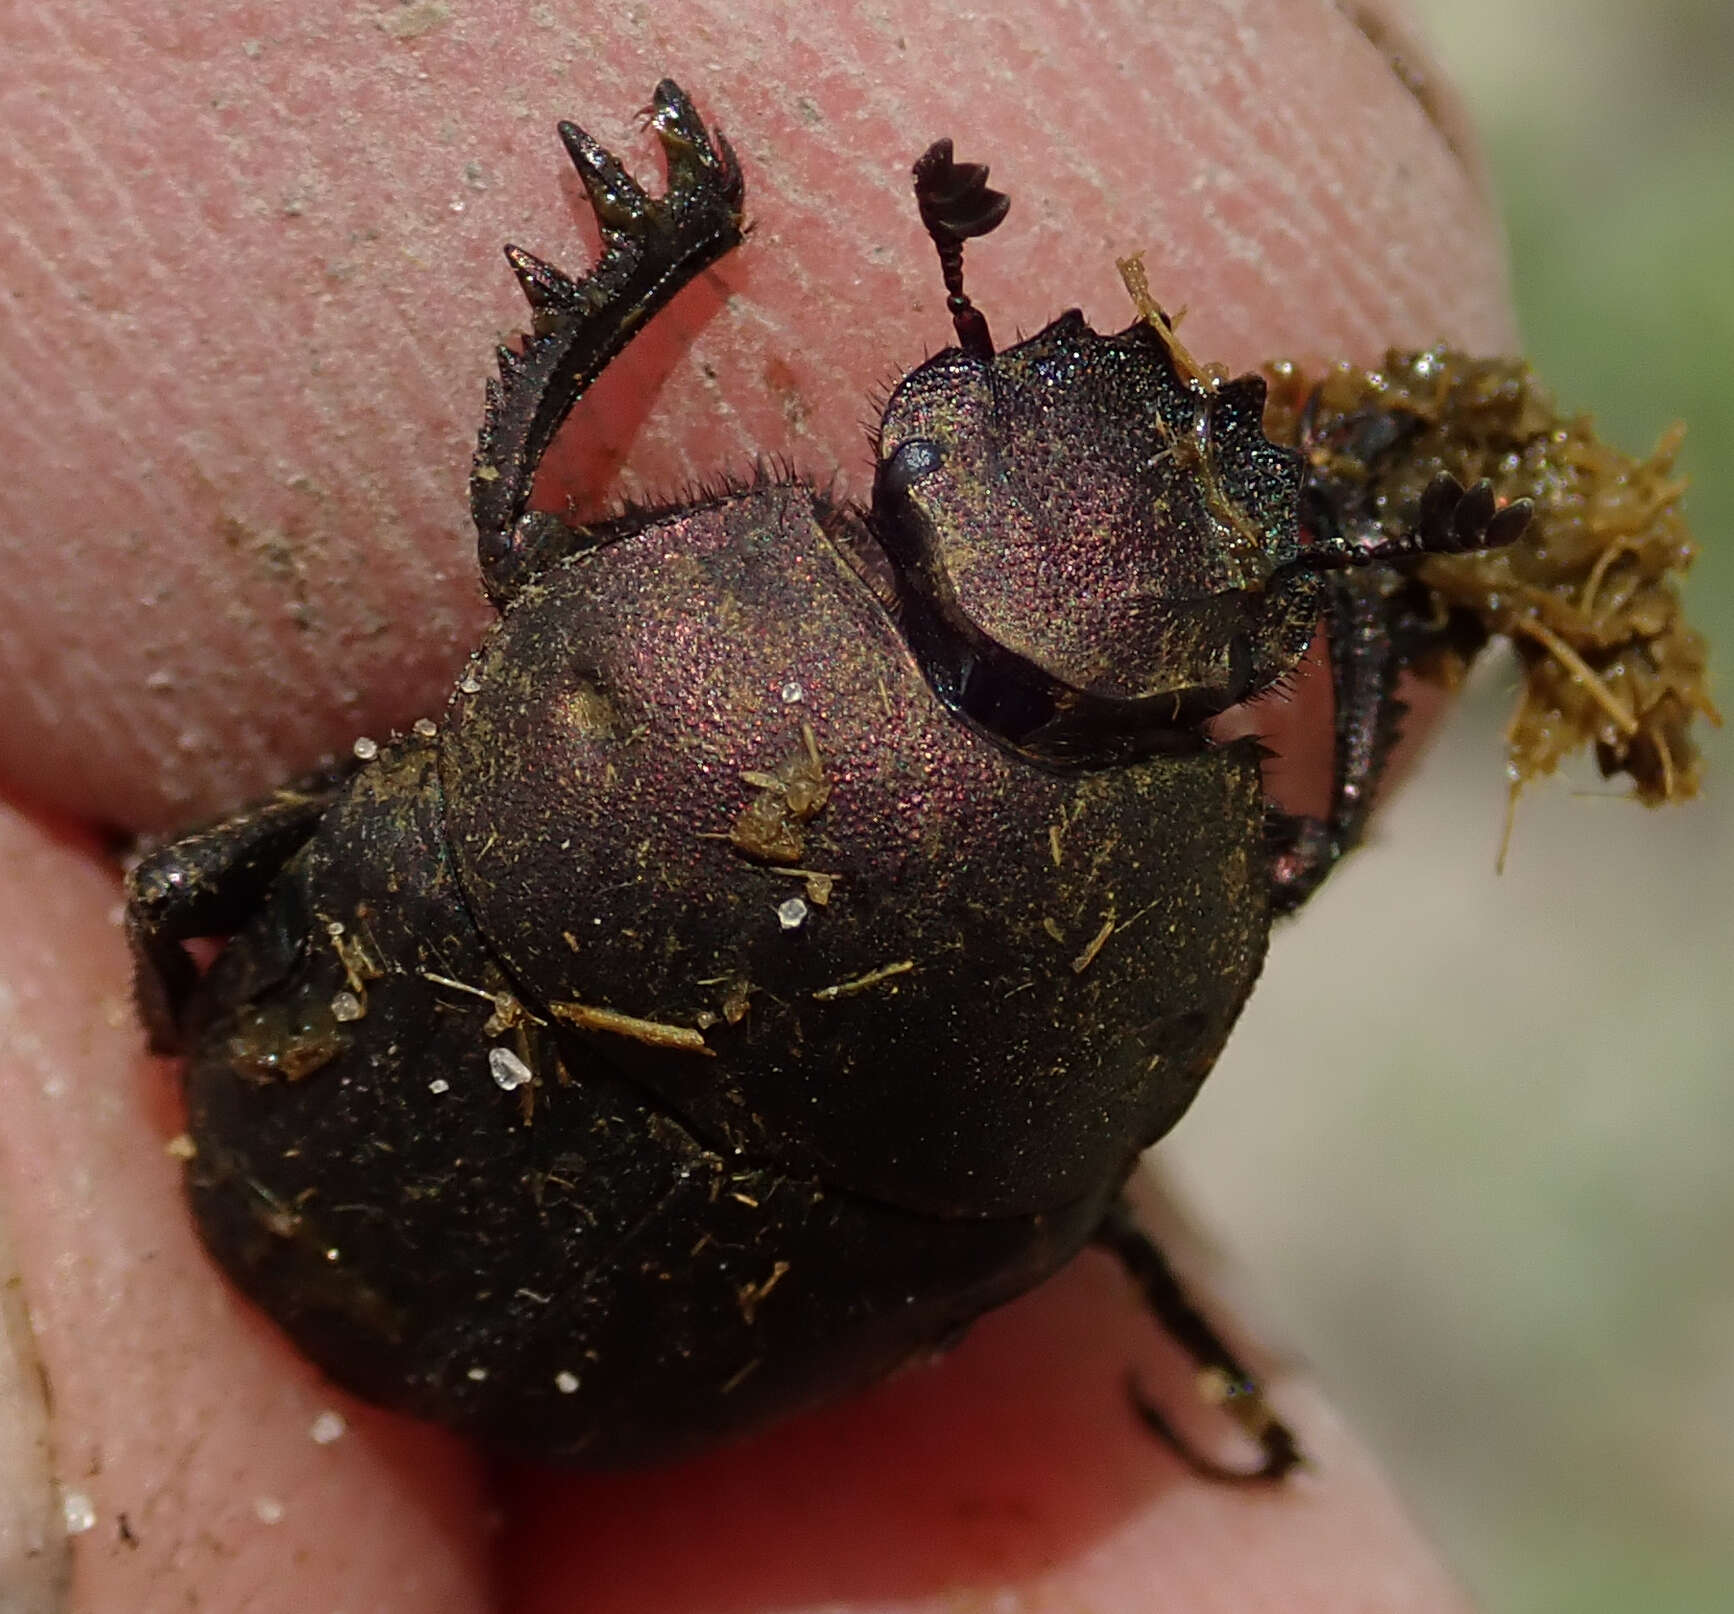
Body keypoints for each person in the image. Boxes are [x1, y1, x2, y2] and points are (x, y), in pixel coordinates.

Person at [0, 2, 1511, 1607]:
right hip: (627, 1383)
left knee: (194, 868)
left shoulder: (643, 706)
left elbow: (510, 539)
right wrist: (1370, 573)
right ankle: (1375, 579)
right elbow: (1304, 856)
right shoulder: (1117, 979)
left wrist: (676, 241)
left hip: (314, 1156)